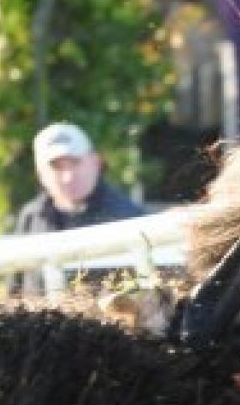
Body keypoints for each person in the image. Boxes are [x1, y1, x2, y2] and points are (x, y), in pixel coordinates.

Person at [13, 122, 145, 295]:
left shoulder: (128, 217)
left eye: (75, 162)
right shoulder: (31, 218)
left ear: (95, 162)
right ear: (40, 174)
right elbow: (15, 291)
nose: (68, 177)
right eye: (56, 167)